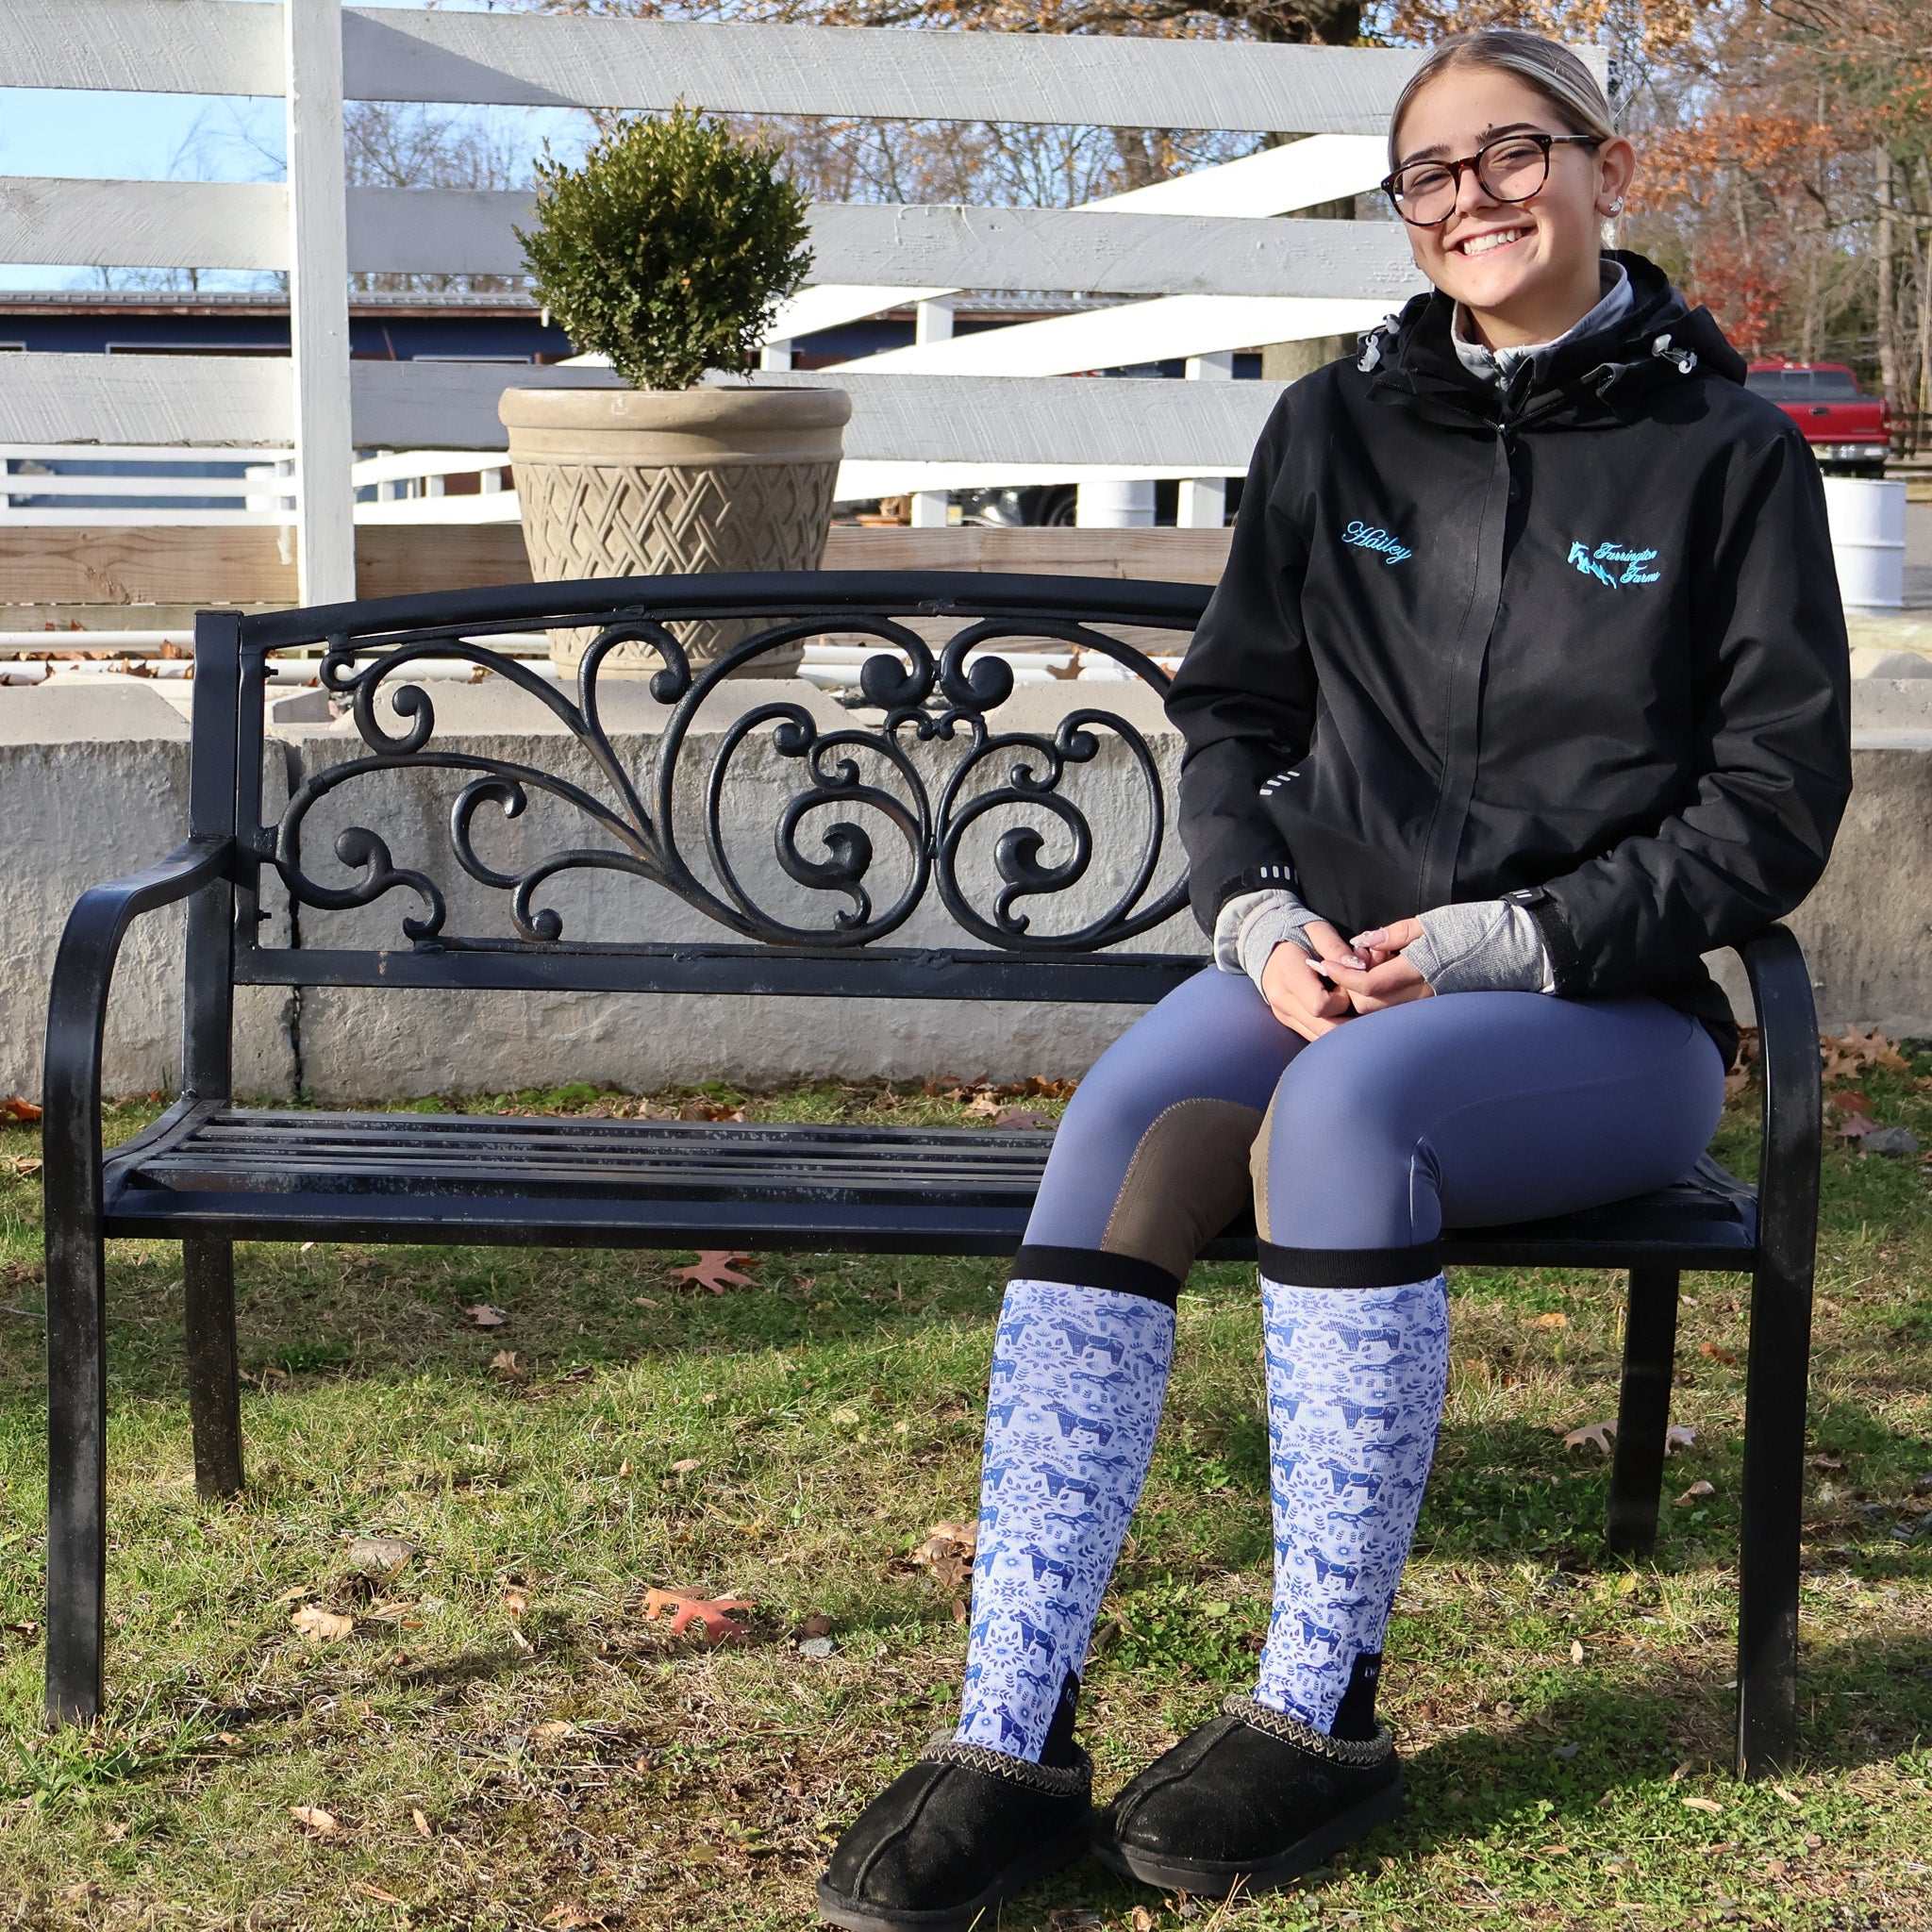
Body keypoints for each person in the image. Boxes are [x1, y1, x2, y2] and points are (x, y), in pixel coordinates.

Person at [816, 25, 1854, 1930]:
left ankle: (1321, 1704)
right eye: (1430, 175)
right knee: (1125, 1112)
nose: (1472, 199)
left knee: (1349, 1117)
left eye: (1510, 154)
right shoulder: (1334, 430)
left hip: (1592, 1009)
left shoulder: (1729, 457)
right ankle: (1011, 1726)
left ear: (1605, 165)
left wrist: (1512, 936)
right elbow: (1228, 718)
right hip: (1334, 962)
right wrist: (1256, 919)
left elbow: (1772, 803)